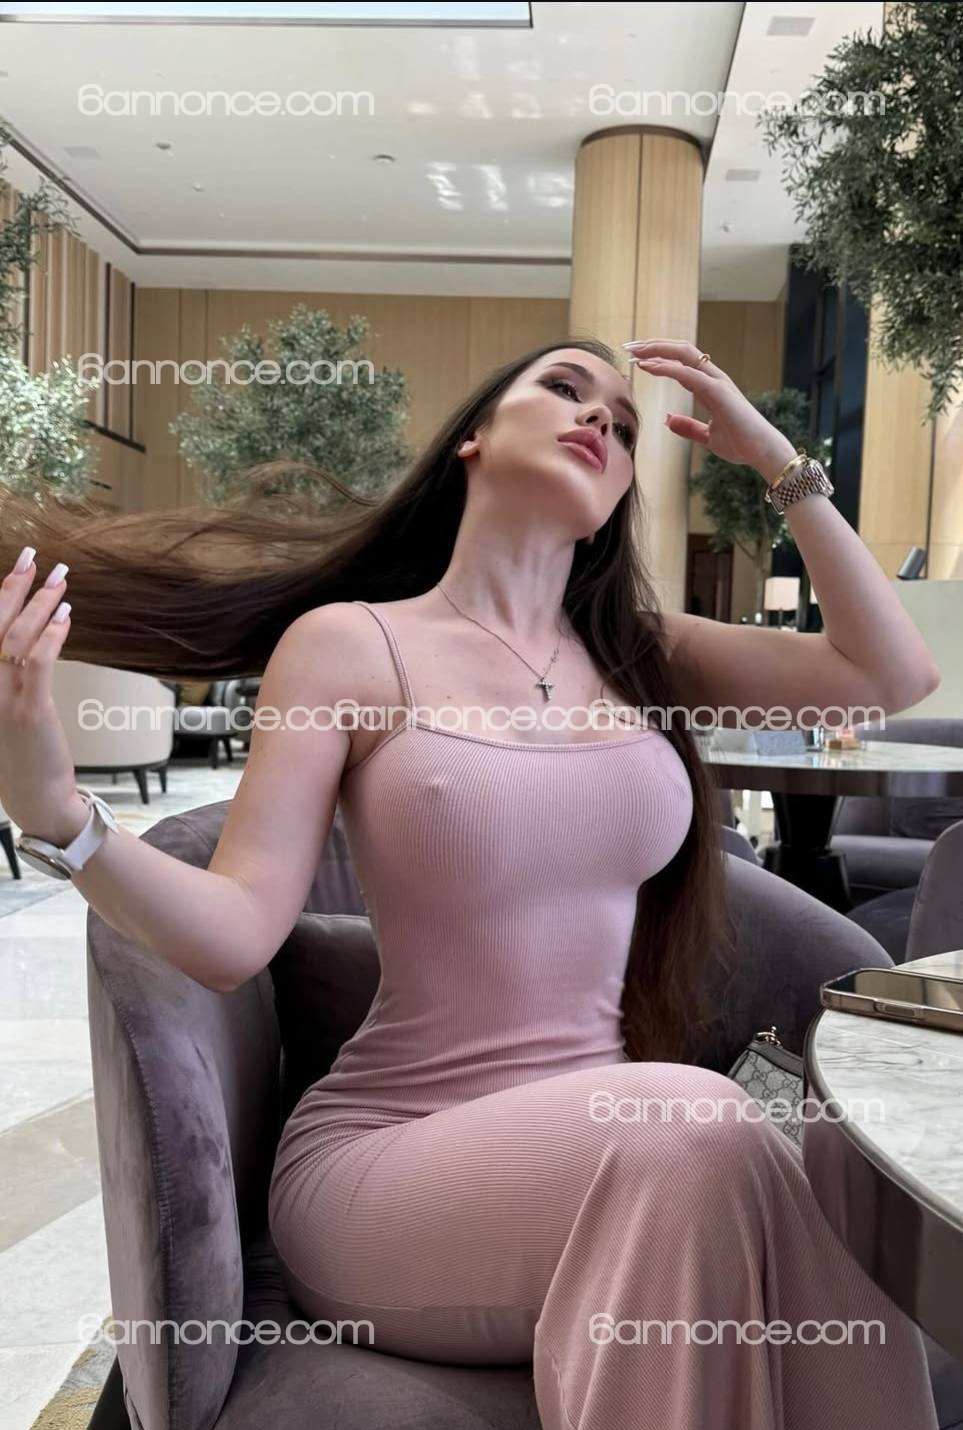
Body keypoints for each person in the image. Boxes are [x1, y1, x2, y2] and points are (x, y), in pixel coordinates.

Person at [0, 338, 942, 1429]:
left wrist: (778, 461)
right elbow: (235, 932)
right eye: (564, 389)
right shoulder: (351, 646)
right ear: (475, 437)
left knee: (831, 1178)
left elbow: (887, 674)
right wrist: (61, 819)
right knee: (696, 1122)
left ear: (620, 495)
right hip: (389, 1171)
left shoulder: (639, 653)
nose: (598, 420)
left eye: (624, 426)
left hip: (622, 1150)